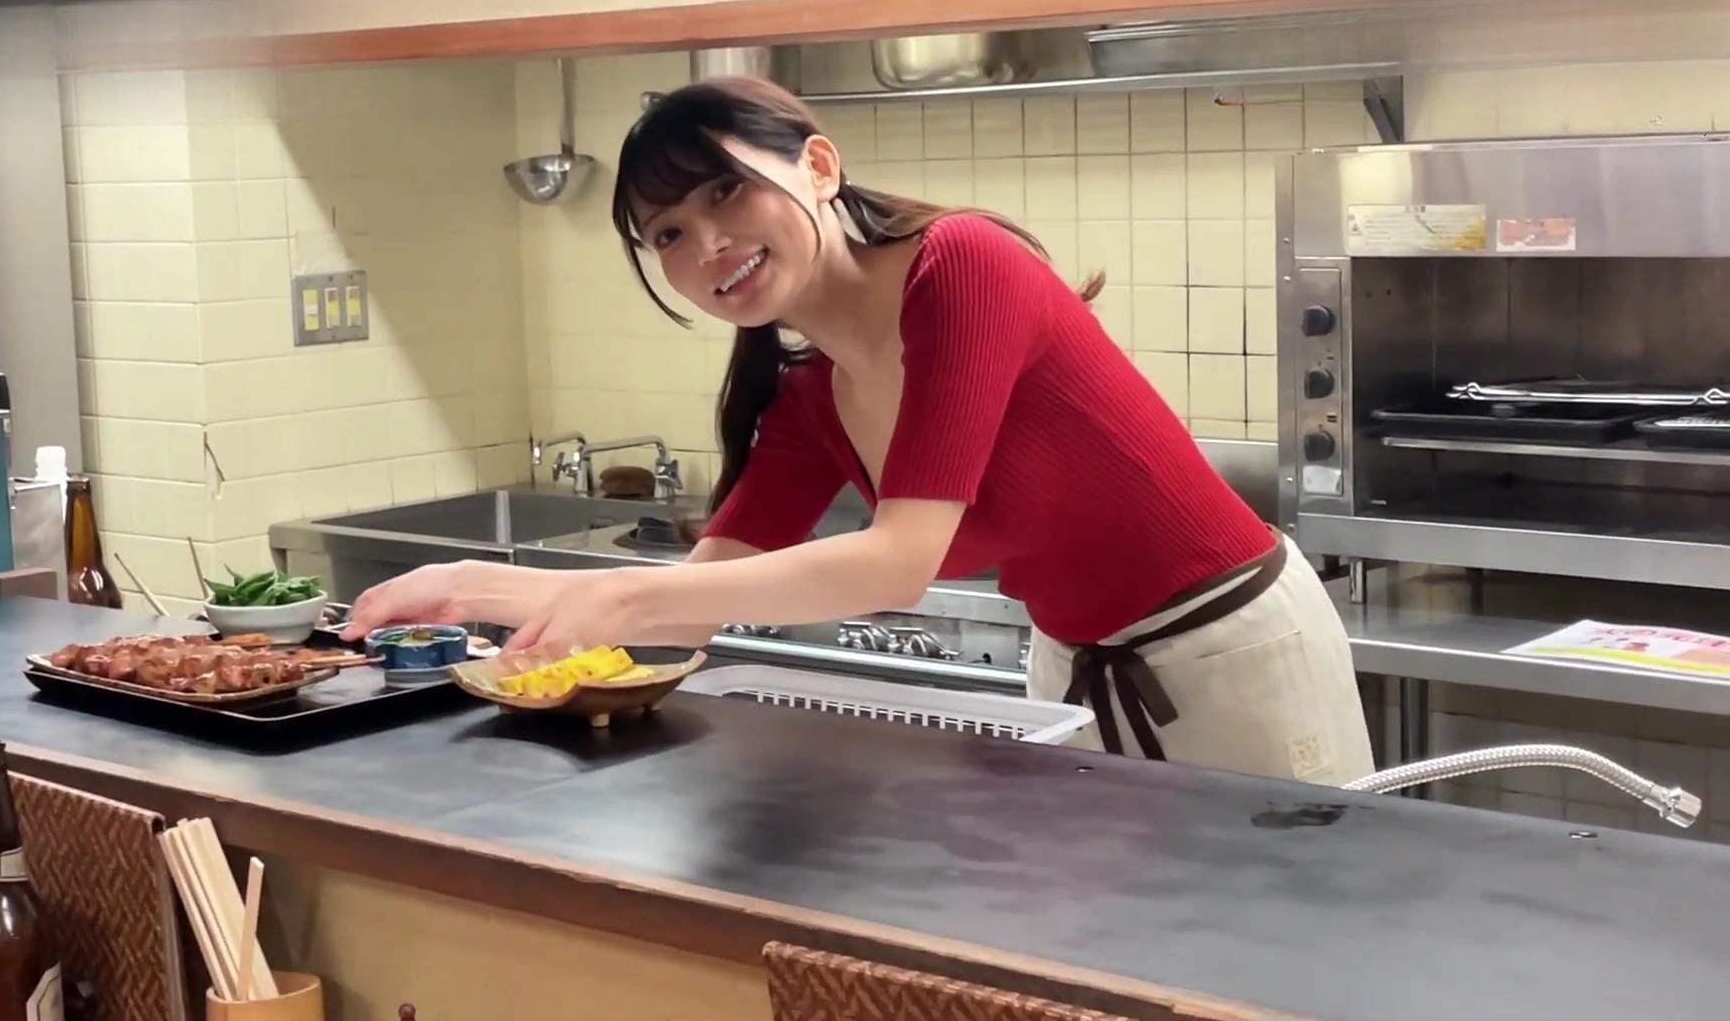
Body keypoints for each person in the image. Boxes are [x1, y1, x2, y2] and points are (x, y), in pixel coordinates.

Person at [344, 75, 1374, 784]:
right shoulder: (809, 397)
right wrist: (475, 617)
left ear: (819, 167)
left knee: (1286, 955)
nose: (709, 243)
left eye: (726, 190)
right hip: (1073, 664)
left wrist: (601, 594)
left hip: (1231, 647)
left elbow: (897, 562)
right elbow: (694, 605)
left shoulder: (965, 266)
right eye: (669, 234)